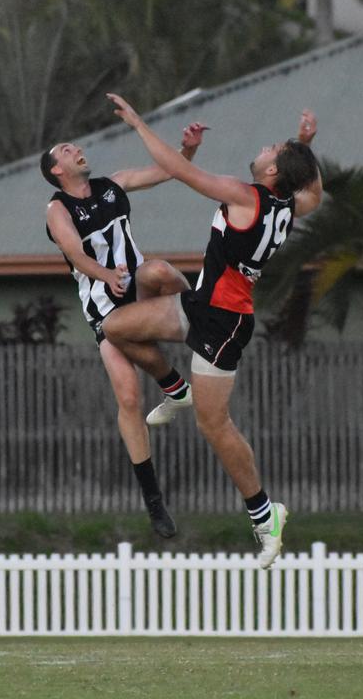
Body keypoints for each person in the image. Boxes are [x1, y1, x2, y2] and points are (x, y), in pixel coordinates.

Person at [101, 93, 322, 569]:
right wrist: (305, 146)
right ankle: (173, 387)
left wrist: (139, 122)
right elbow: (314, 194)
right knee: (113, 326)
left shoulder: (248, 195)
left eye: (273, 149)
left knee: (214, 424)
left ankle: (266, 517)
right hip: (201, 305)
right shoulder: (287, 203)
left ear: (271, 173)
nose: (265, 147)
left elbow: (179, 172)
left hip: (224, 323)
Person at [42, 120, 209, 538]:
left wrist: (186, 151)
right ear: (56, 170)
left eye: (74, 143)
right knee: (128, 395)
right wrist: (105, 275)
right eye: (66, 148)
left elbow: (167, 170)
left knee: (157, 269)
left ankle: (203, 325)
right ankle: (154, 501)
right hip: (103, 306)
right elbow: (75, 253)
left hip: (136, 287)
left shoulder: (113, 185)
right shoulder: (57, 209)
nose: (76, 147)